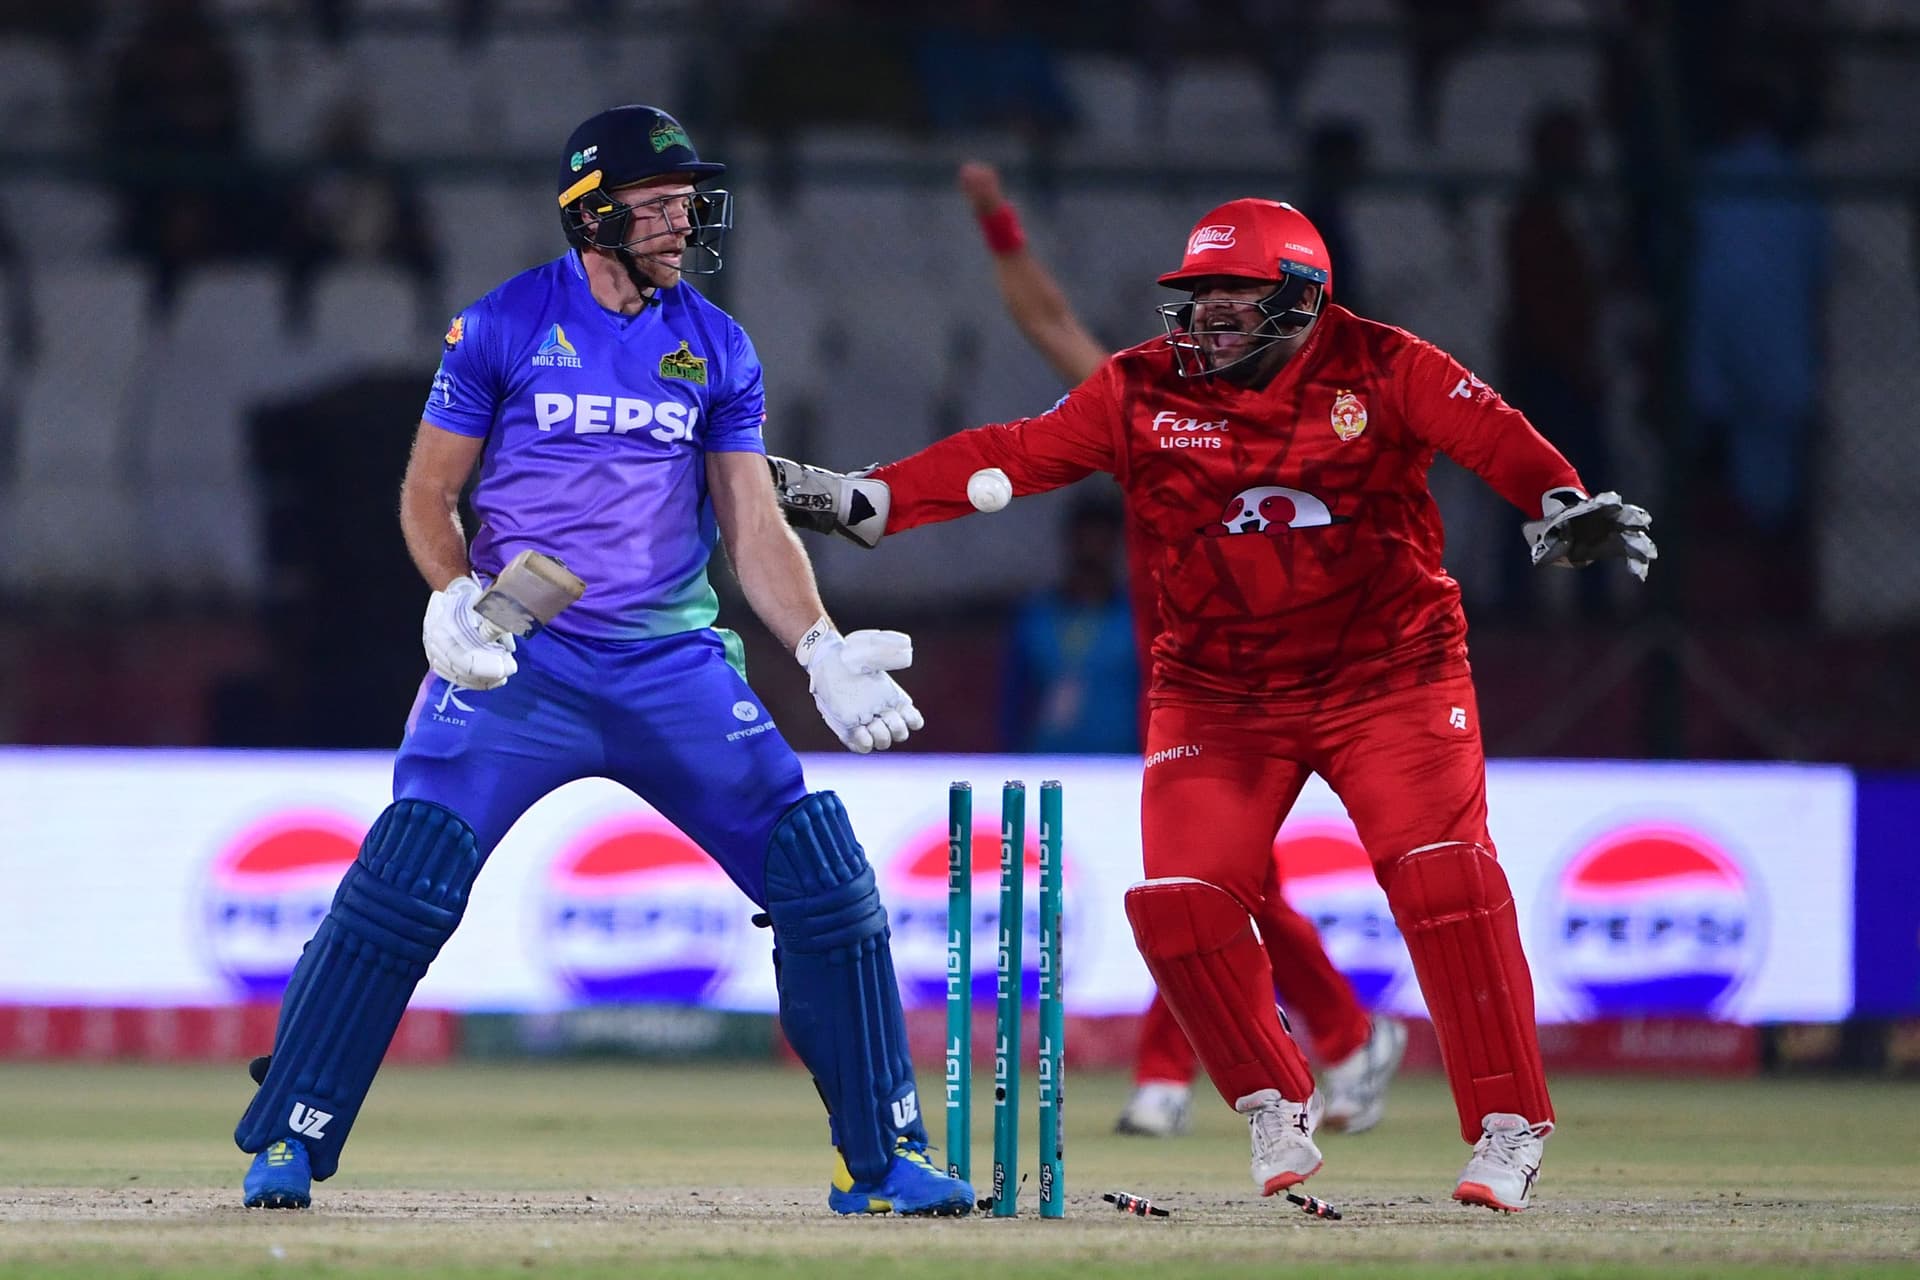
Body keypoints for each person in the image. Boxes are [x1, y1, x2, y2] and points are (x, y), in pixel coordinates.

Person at [770, 196, 1655, 1212]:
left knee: (1442, 877)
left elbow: (1489, 431)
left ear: (1303, 301)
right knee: (1185, 898)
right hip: (1217, 691)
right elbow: (1016, 452)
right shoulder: (1141, 388)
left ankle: (1508, 1124)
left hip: (1391, 672)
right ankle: (1273, 1101)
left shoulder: (1383, 364)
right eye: (1198, 302)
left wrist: (1557, 495)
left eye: (1235, 303)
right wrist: (869, 497)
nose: (1207, 322)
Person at [233, 105, 974, 1220]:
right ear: (594, 211)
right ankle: (288, 1135)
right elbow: (431, 492)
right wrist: (451, 601)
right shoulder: (502, 324)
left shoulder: (717, 343)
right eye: (660, 203)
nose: (684, 221)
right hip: (517, 664)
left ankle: (882, 1160)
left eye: (688, 202)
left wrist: (816, 645)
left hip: (672, 667)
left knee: (825, 880)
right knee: (406, 879)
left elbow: (752, 519)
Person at [957, 160, 1406, 1140]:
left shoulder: (1345, 433)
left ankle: (1188, 1070)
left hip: (1269, 689)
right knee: (1217, 886)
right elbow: (1048, 324)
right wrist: (998, 222)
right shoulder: (1159, 411)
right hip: (1184, 686)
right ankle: (1337, 1034)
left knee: (1211, 885)